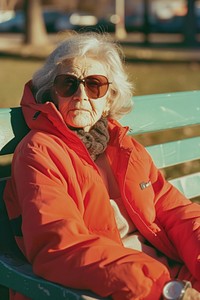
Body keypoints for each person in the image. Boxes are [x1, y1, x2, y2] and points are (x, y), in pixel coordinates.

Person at [4, 31, 200, 300]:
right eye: (68, 84)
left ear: (109, 99)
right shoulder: (40, 151)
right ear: (51, 93)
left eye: (95, 85)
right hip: (105, 288)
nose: (81, 95)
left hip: (164, 276)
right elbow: (59, 245)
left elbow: (174, 210)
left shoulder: (125, 148)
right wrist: (162, 288)